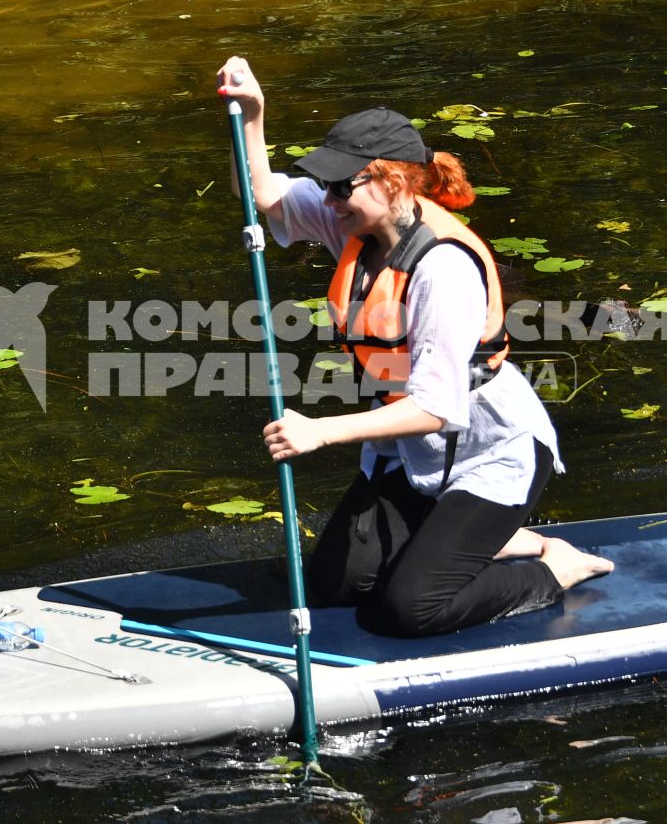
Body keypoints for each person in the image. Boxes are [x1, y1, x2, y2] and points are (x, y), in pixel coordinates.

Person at [217, 56, 611, 638]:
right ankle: (491, 540)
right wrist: (253, 115)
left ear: (392, 182)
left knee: (405, 610)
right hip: (413, 451)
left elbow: (437, 407)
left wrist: (320, 431)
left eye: (338, 186)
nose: (326, 199)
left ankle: (553, 567)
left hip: (487, 452)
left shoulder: (443, 268)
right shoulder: (355, 222)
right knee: (332, 585)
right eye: (324, 184)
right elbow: (264, 196)